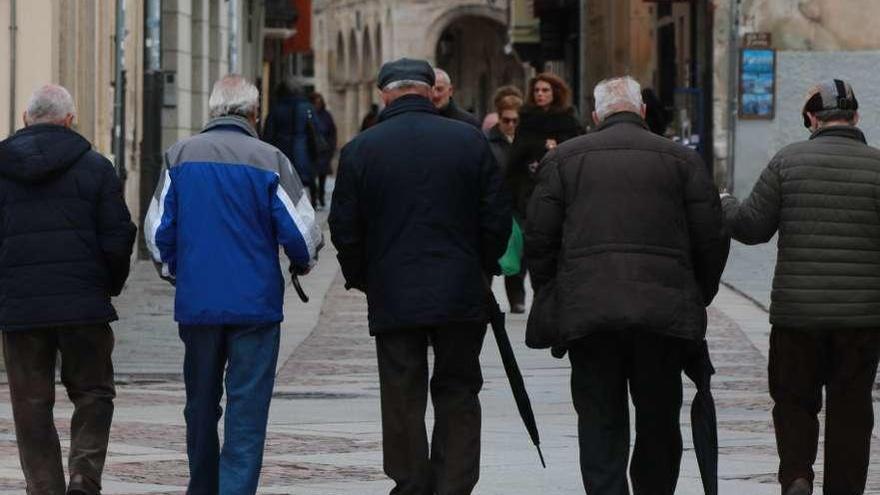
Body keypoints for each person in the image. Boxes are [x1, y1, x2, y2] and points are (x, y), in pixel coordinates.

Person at [525, 76, 727, 494]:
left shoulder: (563, 159)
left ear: (596, 116)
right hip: (662, 314)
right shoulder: (681, 160)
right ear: (643, 112)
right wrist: (695, 293)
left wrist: (558, 294)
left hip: (590, 312)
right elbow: (711, 237)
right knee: (658, 416)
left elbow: (539, 239)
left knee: (599, 417)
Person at [329, 58, 510, 495]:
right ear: (431, 92)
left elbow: (345, 229)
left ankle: (411, 483)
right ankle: (452, 484)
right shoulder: (469, 142)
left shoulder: (361, 149)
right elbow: (497, 219)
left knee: (402, 394)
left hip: (394, 288)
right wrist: (481, 266)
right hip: (460, 288)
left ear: (384, 94)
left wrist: (365, 277)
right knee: (459, 389)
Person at [145, 74, 322, 495]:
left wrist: (176, 272)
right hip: (255, 306)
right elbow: (303, 233)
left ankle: (202, 486)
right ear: (254, 113)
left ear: (212, 110)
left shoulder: (179, 156)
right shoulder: (271, 159)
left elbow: (157, 233)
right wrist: (302, 263)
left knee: (200, 405)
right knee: (247, 407)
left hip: (199, 303)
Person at [721, 79, 880, 495]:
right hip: (860, 319)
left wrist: (723, 202)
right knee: (852, 410)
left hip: (797, 315)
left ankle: (796, 476)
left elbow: (751, 228)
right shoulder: (877, 165)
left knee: (794, 401)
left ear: (811, 118)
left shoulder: (787, 161)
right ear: (856, 118)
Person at [0, 84, 137, 494]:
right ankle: (84, 473)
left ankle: (44, 487)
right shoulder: (96, 167)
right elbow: (118, 236)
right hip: (84, 307)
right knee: (94, 391)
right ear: (69, 121)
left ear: (25, 120)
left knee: (30, 403)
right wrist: (107, 286)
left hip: (21, 309)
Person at [487, 93, 527, 313]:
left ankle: (517, 297)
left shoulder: (525, 142)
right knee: (495, 252)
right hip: (497, 204)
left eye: (515, 120)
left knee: (520, 252)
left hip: (522, 205)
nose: (511, 124)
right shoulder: (488, 143)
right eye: (506, 120)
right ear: (499, 119)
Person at [262, 78, 319, 205]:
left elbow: (268, 136)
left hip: (281, 155)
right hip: (304, 154)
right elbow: (317, 130)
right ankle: (311, 206)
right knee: (305, 184)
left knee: (284, 187)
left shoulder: (276, 110)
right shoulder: (307, 108)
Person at [310, 92, 338, 209]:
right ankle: (314, 198)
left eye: (319, 102)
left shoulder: (326, 115)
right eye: (315, 102)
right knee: (312, 176)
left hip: (324, 150)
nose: (318, 105)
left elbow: (332, 132)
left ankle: (320, 197)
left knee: (322, 177)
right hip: (312, 150)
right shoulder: (309, 114)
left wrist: (331, 147)